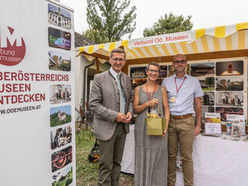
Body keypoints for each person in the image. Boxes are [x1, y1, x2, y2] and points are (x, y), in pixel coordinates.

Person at [89, 48, 133, 186]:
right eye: (115, 59)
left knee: (117, 163)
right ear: (110, 60)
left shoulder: (126, 78)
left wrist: (130, 112)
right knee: (106, 165)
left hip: (122, 128)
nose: (118, 62)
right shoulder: (99, 78)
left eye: (121, 59)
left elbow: (129, 100)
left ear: (124, 61)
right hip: (106, 128)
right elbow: (94, 104)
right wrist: (115, 116)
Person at [162, 54, 203, 186]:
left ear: (186, 64)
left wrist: (198, 126)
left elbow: (198, 105)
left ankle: (188, 184)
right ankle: (170, 183)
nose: (179, 63)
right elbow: (163, 105)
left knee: (187, 157)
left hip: (187, 122)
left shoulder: (194, 81)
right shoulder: (166, 81)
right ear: (173, 64)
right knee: (171, 155)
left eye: (182, 61)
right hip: (171, 122)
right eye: (176, 62)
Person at [133, 62, 170, 186]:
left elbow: (167, 110)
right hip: (142, 128)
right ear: (146, 72)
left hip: (157, 127)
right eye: (151, 70)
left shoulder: (162, 89)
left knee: (158, 156)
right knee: (142, 155)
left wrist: (165, 127)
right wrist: (147, 104)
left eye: (156, 71)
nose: (153, 73)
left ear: (158, 74)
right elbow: (135, 110)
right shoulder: (138, 89)